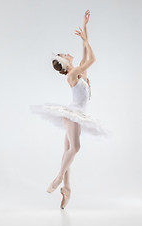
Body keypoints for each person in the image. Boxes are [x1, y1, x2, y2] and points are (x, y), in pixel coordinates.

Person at [30, 10, 111, 209]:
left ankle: (66, 188)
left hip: (76, 115)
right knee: (75, 148)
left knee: (68, 150)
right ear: (66, 63)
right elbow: (92, 59)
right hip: (72, 114)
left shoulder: (80, 71)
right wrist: (86, 40)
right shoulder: (73, 75)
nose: (67, 53)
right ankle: (58, 178)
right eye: (64, 54)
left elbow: (85, 53)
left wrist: (85, 28)